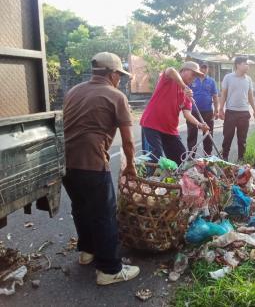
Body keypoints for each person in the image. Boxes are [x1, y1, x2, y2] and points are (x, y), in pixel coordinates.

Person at [62, 52, 140, 285]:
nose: (121, 80)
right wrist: (131, 167)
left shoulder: (73, 91)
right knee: (105, 215)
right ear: (113, 74)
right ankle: (109, 270)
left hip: (65, 163)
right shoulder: (116, 96)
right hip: (92, 163)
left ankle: (87, 252)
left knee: (81, 208)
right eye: (120, 76)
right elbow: (128, 141)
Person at [140, 61, 209, 165]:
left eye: (196, 76)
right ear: (184, 70)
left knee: (181, 158)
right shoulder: (169, 79)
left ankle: (174, 180)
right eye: (193, 74)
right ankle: (148, 179)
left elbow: (187, 114)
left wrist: (199, 124)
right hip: (152, 125)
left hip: (169, 130)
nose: (194, 78)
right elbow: (171, 70)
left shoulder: (187, 93)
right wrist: (183, 86)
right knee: (155, 158)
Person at [219, 56, 255, 162]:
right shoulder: (228, 77)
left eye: (247, 64)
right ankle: (225, 157)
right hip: (231, 112)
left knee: (242, 139)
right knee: (227, 136)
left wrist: (254, 110)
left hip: (244, 113)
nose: (247, 66)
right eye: (245, 63)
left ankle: (241, 158)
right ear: (238, 65)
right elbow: (224, 94)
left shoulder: (248, 79)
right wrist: (220, 109)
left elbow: (250, 96)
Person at [186, 63, 219, 157]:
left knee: (208, 135)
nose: (203, 69)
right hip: (193, 112)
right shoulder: (192, 80)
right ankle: (191, 157)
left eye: (205, 67)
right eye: (202, 67)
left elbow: (215, 96)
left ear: (208, 69)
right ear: (198, 69)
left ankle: (208, 156)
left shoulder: (211, 81)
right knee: (192, 135)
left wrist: (216, 110)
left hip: (208, 112)